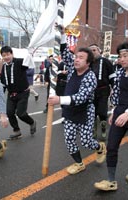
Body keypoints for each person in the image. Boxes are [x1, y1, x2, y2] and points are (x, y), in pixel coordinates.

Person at [48, 28, 106, 175]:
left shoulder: (90, 77)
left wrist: (59, 99)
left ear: (88, 62)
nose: (76, 59)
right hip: (70, 112)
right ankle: (79, 163)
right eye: (76, 56)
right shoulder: (73, 70)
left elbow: (81, 97)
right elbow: (65, 52)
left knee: (86, 141)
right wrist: (61, 34)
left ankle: (100, 147)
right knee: (69, 140)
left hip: (85, 112)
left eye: (80, 57)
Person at [94, 42, 128, 191]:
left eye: (125, 55)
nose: (122, 59)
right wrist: (114, 111)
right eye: (120, 56)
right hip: (120, 111)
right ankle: (111, 180)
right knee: (112, 145)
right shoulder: (120, 72)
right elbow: (117, 93)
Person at [0, 46, 36, 140]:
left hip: (23, 92)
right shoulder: (3, 67)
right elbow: (3, 82)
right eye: (4, 55)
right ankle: (17, 131)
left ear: (12, 54)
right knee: (10, 113)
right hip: (11, 94)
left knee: (21, 113)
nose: (6, 57)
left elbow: (28, 64)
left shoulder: (20, 62)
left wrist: (30, 54)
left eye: (8, 54)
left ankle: (32, 122)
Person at [89, 44, 115, 139]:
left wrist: (114, 88)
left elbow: (112, 76)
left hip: (103, 90)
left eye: (94, 50)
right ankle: (94, 130)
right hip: (91, 91)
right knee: (92, 112)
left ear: (99, 51)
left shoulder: (106, 62)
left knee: (102, 111)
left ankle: (103, 128)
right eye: (90, 50)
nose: (92, 52)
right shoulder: (88, 63)